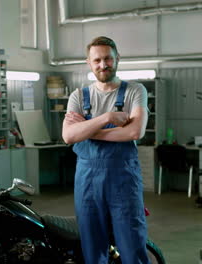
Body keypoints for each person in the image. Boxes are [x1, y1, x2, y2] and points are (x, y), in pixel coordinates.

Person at [62, 36, 150, 264]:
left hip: (123, 180)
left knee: (132, 245)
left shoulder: (135, 91)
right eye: (97, 60)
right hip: (87, 182)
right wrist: (108, 118)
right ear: (89, 63)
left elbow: (134, 132)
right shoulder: (78, 96)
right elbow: (69, 136)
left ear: (117, 58)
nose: (103, 65)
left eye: (108, 58)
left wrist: (88, 130)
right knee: (92, 247)